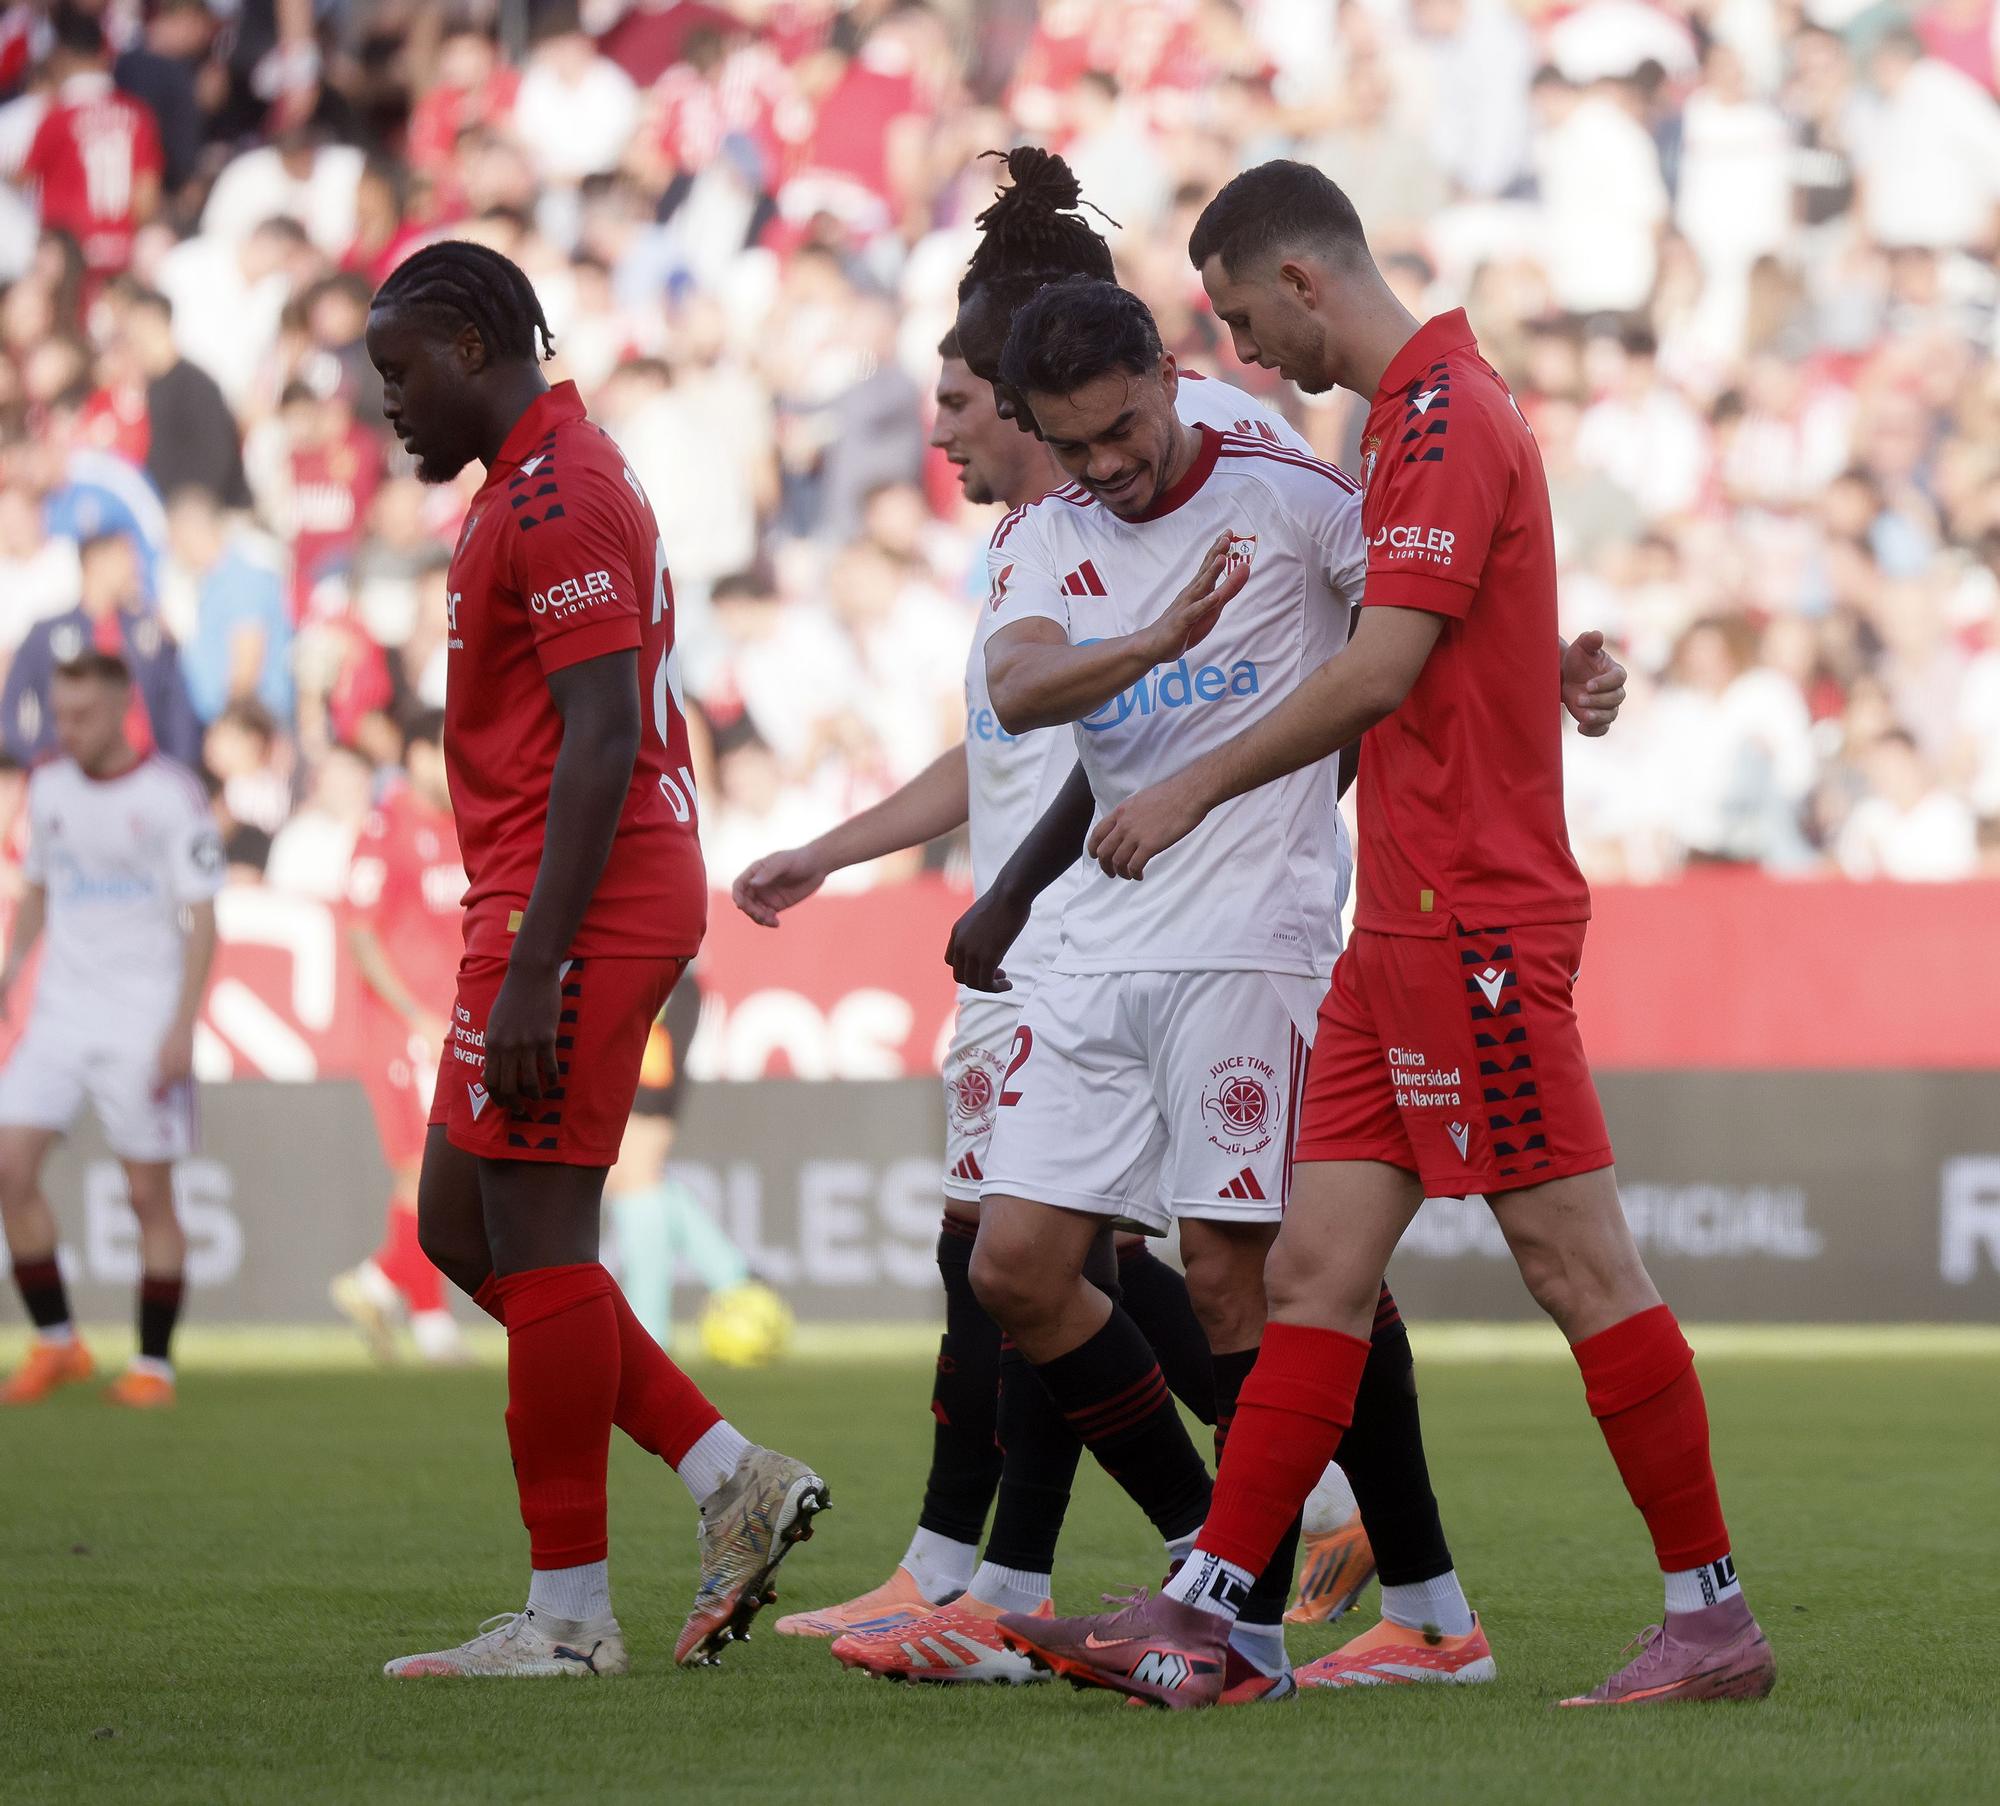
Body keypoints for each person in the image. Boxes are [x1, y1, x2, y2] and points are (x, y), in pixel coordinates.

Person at [995, 161, 1771, 1711]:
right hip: (1397, 922)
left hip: (1472, 917)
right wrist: (1553, 662)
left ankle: (1711, 1618)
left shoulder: (1437, 412)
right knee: (1312, 1274)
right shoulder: (1411, 420)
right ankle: (1216, 1610)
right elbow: (1437, 617)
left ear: (1299, 282)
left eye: (1233, 317)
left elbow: (1378, 670)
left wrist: (1193, 789)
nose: (1242, 355)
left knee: (1576, 1265)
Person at [363, 240, 827, 1678]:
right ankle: (725, 1470)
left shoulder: (559, 495)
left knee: (545, 1245)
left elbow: (606, 737)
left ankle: (568, 1619)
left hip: (581, 902)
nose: (388, 407)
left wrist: (537, 964)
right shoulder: (541, 476)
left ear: (466, 342)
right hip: (540, 894)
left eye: (399, 373)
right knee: (461, 1227)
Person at [0, 652, 220, 1409]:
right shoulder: (51, 784)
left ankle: (152, 1366)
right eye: (59, 714)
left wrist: (183, 1024)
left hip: (142, 1016)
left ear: (123, 704)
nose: (67, 729)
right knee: (9, 1166)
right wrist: (11, 966)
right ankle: (59, 1344)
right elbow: (36, 886)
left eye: (83, 715)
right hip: (61, 1012)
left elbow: (202, 920)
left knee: (145, 1193)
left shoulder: (170, 796)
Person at [330, 710, 470, 1366]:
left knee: (447, 1172)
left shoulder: (468, 827)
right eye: (448, 751)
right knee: (425, 1170)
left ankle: (379, 1281)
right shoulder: (385, 830)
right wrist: (413, 1012)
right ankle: (430, 1320)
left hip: (454, 1025)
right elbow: (359, 932)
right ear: (416, 755)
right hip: (406, 1029)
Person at [603, 967, 760, 1345]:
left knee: (634, 1179)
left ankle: (649, 1330)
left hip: (655, 992)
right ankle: (735, 1279)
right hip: (637, 998)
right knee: (631, 1180)